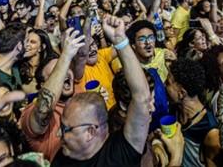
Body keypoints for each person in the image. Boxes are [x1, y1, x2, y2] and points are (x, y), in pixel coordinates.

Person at [53, 16, 152, 166]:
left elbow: (141, 97)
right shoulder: (61, 160)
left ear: (91, 132)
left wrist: (120, 41)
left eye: (65, 129)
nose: (58, 134)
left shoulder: (120, 153)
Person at [19, 28, 86, 161]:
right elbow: (43, 110)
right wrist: (65, 56)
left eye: (66, 69)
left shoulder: (80, 93)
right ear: (44, 85)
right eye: (57, 73)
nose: (65, 74)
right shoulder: (30, 112)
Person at [165, 57, 221, 167]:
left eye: (168, 83)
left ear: (181, 93)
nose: (164, 85)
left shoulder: (211, 133)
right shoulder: (174, 111)